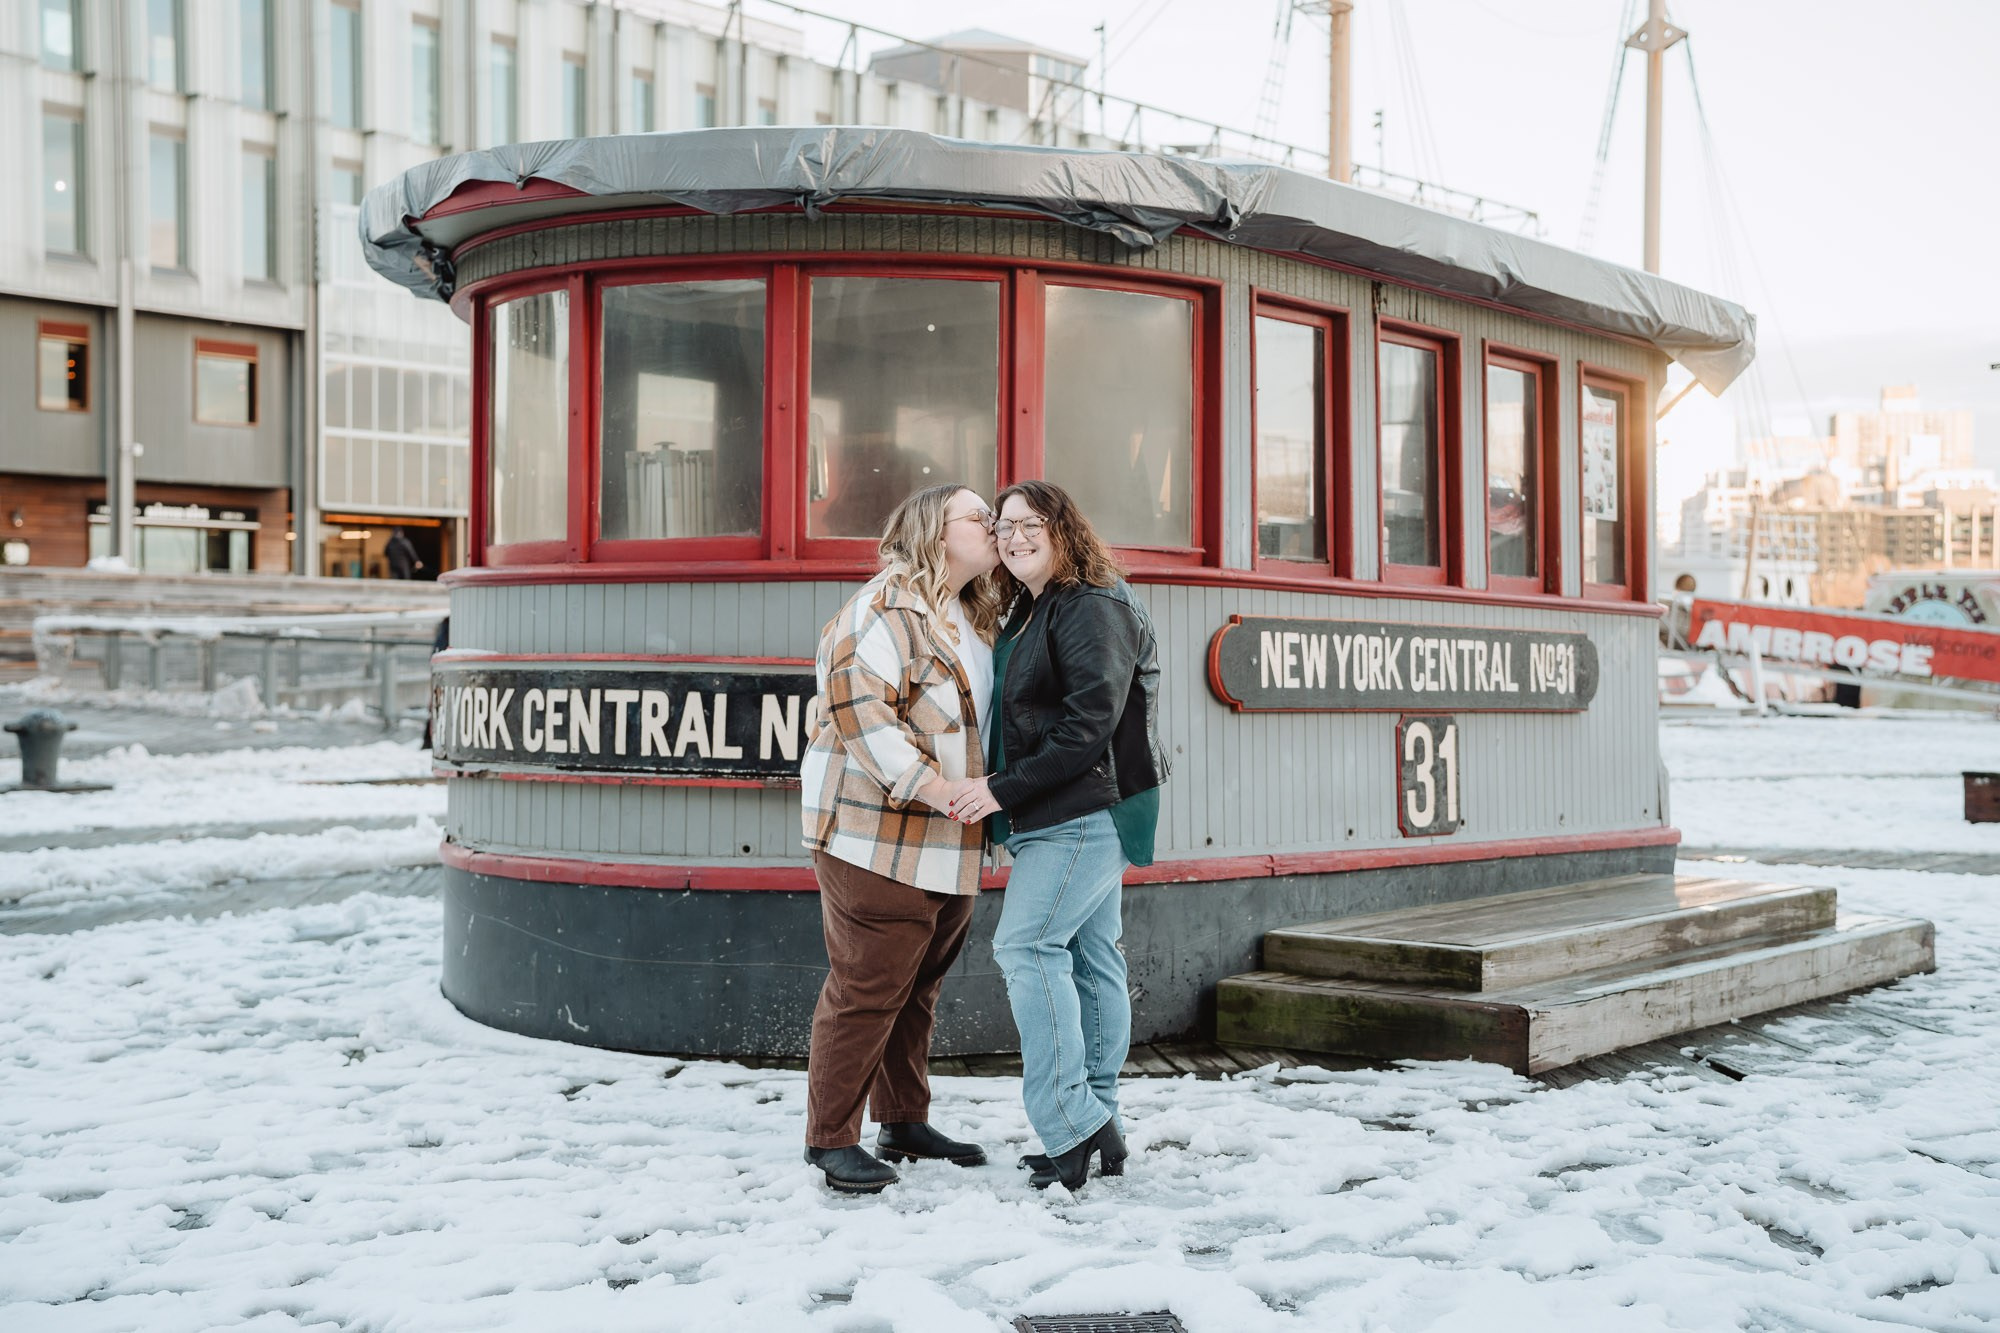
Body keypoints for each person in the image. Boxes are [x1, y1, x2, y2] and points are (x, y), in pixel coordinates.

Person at [946, 479, 1168, 1193]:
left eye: (1027, 523)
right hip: (1068, 810)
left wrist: (997, 790)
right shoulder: (1039, 605)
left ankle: (1070, 1120)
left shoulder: (1090, 603)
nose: (1012, 536)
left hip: (1084, 810)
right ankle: (1095, 1118)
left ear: (1062, 527)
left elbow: (1087, 727)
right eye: (1000, 525)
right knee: (1090, 952)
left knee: (1026, 944)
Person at [798, 482, 1002, 1194]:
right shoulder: (881, 611)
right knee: (868, 983)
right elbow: (862, 715)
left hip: (950, 839)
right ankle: (830, 1139)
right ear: (934, 531)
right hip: (873, 833)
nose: (995, 525)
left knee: (917, 985)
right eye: (980, 516)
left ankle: (904, 1119)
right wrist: (938, 788)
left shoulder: (969, 613)